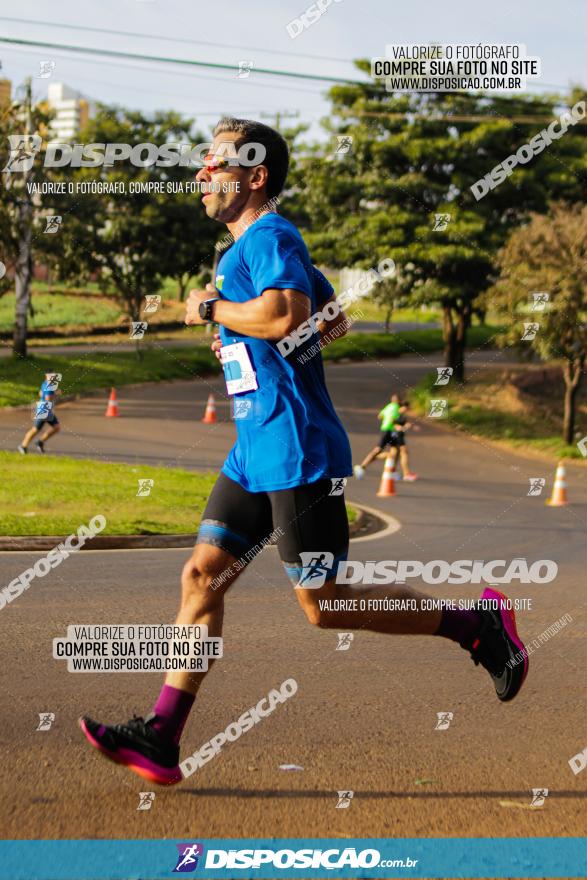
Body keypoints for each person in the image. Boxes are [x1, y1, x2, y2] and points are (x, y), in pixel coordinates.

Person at [79, 118, 529, 786]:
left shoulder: (269, 234)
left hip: (296, 450)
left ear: (254, 176)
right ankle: (162, 738)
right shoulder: (249, 251)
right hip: (253, 449)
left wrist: (213, 312)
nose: (201, 175)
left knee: (325, 605)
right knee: (201, 576)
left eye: (215, 163)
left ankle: (478, 628)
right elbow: (315, 315)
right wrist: (260, 324)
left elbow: (285, 313)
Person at [353, 393, 401, 478]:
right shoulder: (395, 407)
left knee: (396, 449)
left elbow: (380, 416)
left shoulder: (388, 406)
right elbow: (392, 419)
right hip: (389, 430)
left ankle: (392, 470)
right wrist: (396, 425)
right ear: (398, 401)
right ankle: (362, 466)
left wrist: (386, 420)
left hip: (386, 429)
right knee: (378, 449)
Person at [18, 373, 61, 454]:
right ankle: (23, 446)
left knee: (56, 427)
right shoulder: (49, 387)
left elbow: (40, 393)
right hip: (44, 409)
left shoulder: (44, 383)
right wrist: (56, 395)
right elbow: (48, 398)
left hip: (46, 409)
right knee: (36, 429)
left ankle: (40, 442)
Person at [387, 400, 418, 481]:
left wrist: (410, 426)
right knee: (404, 452)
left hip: (398, 435)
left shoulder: (401, 415)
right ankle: (406, 474)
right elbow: (390, 421)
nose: (407, 410)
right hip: (396, 435)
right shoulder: (396, 413)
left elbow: (404, 423)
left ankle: (393, 471)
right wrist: (397, 426)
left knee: (394, 454)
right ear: (402, 407)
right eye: (406, 408)